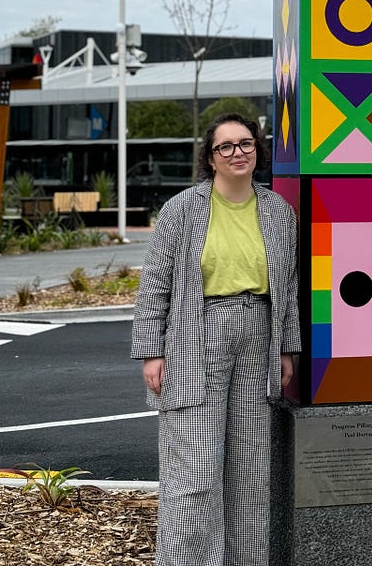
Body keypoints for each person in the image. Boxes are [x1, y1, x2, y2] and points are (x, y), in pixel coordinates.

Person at [131, 113, 300, 566]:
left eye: (245, 143)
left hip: (259, 334)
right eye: (225, 146)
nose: (237, 152)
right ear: (210, 157)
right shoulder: (182, 209)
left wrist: (286, 346)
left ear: (258, 150)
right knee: (196, 471)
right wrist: (151, 351)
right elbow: (155, 285)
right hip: (197, 333)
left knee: (251, 471)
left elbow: (289, 289)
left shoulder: (279, 213)